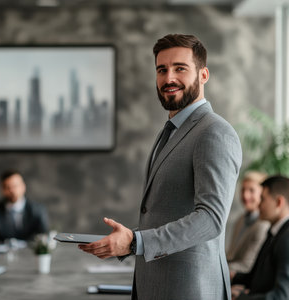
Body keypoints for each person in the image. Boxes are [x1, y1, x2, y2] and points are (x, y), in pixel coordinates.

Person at [79, 33, 242, 300]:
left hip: (190, 290)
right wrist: (128, 245)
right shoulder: (171, 131)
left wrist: (136, 242)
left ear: (203, 75)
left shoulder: (214, 132)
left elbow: (211, 219)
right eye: (162, 70)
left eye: (180, 68)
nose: (169, 79)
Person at [231, 175, 289, 300]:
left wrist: (241, 298)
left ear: (279, 202)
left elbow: (281, 297)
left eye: (262, 199)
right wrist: (230, 276)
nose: (258, 205)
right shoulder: (277, 232)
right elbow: (255, 278)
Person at [0, 170, 49, 243]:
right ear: (2, 190)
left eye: (15, 186)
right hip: (2, 253)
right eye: (7, 187)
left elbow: (42, 235)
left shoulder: (38, 210)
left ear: (23, 186)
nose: (12, 190)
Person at [226, 171, 270, 275]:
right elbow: (231, 254)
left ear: (262, 193)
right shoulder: (240, 220)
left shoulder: (263, 225)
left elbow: (247, 266)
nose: (245, 195)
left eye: (251, 190)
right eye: (243, 190)